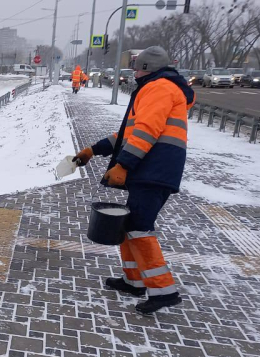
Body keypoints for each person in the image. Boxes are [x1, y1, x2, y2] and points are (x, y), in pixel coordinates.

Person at [72, 46, 195, 315]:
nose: (134, 72)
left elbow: (147, 132)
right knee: (131, 225)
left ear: (148, 68)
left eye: (137, 67)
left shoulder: (159, 88)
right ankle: (134, 281)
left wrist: (123, 165)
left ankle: (164, 291)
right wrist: (93, 150)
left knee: (139, 227)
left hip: (155, 169)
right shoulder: (156, 88)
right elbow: (129, 134)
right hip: (152, 169)